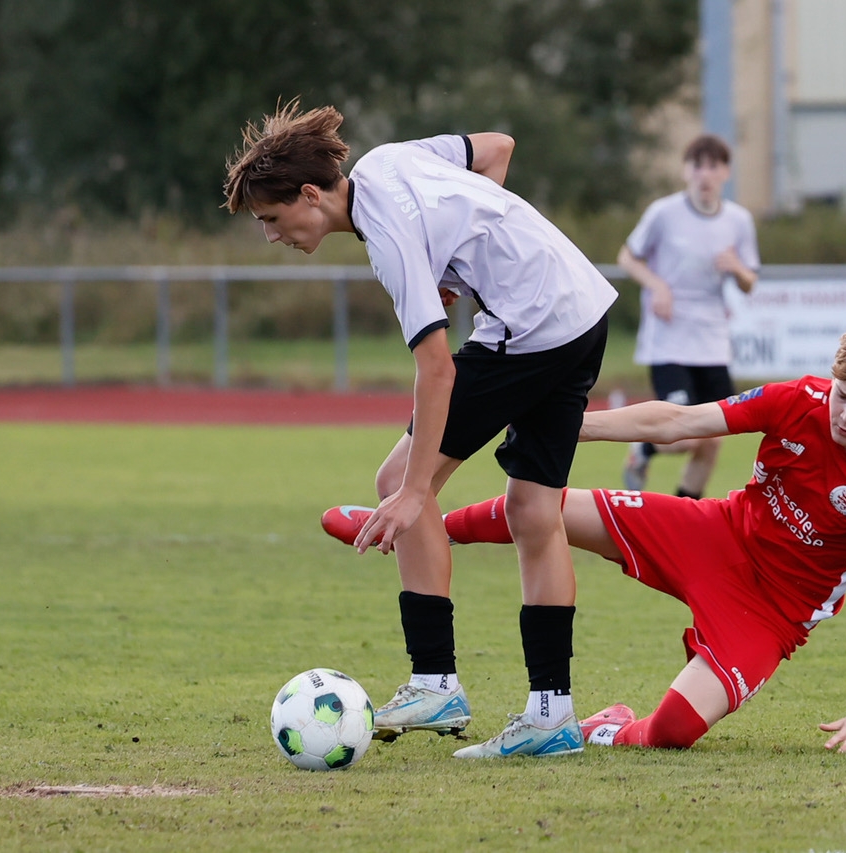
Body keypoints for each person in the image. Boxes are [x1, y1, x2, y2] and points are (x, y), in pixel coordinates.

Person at [324, 313, 846, 752]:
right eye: (841, 396)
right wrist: (567, 424)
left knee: (673, 732)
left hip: (772, 613)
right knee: (545, 509)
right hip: (716, 533)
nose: (845, 415)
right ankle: (415, 526)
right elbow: (675, 422)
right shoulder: (798, 399)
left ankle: (606, 727)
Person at [225, 100, 617, 759]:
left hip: (532, 326)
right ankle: (551, 713)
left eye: (270, 218)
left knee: (397, 479)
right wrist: (464, 256)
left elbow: (437, 370)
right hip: (582, 308)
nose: (270, 235)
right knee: (532, 510)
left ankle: (435, 682)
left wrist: (413, 492)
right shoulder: (391, 159)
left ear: (312, 195)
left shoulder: (387, 240)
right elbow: (498, 146)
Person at [617, 133, 760, 499]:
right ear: (686, 171)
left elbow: (749, 283)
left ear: (726, 172)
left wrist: (737, 268)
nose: (705, 174)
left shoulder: (738, 220)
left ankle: (685, 512)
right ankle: (643, 448)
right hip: (669, 339)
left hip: (712, 341)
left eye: (713, 166)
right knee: (682, 435)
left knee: (712, 436)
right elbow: (627, 257)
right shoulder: (663, 213)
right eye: (698, 166)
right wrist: (657, 285)